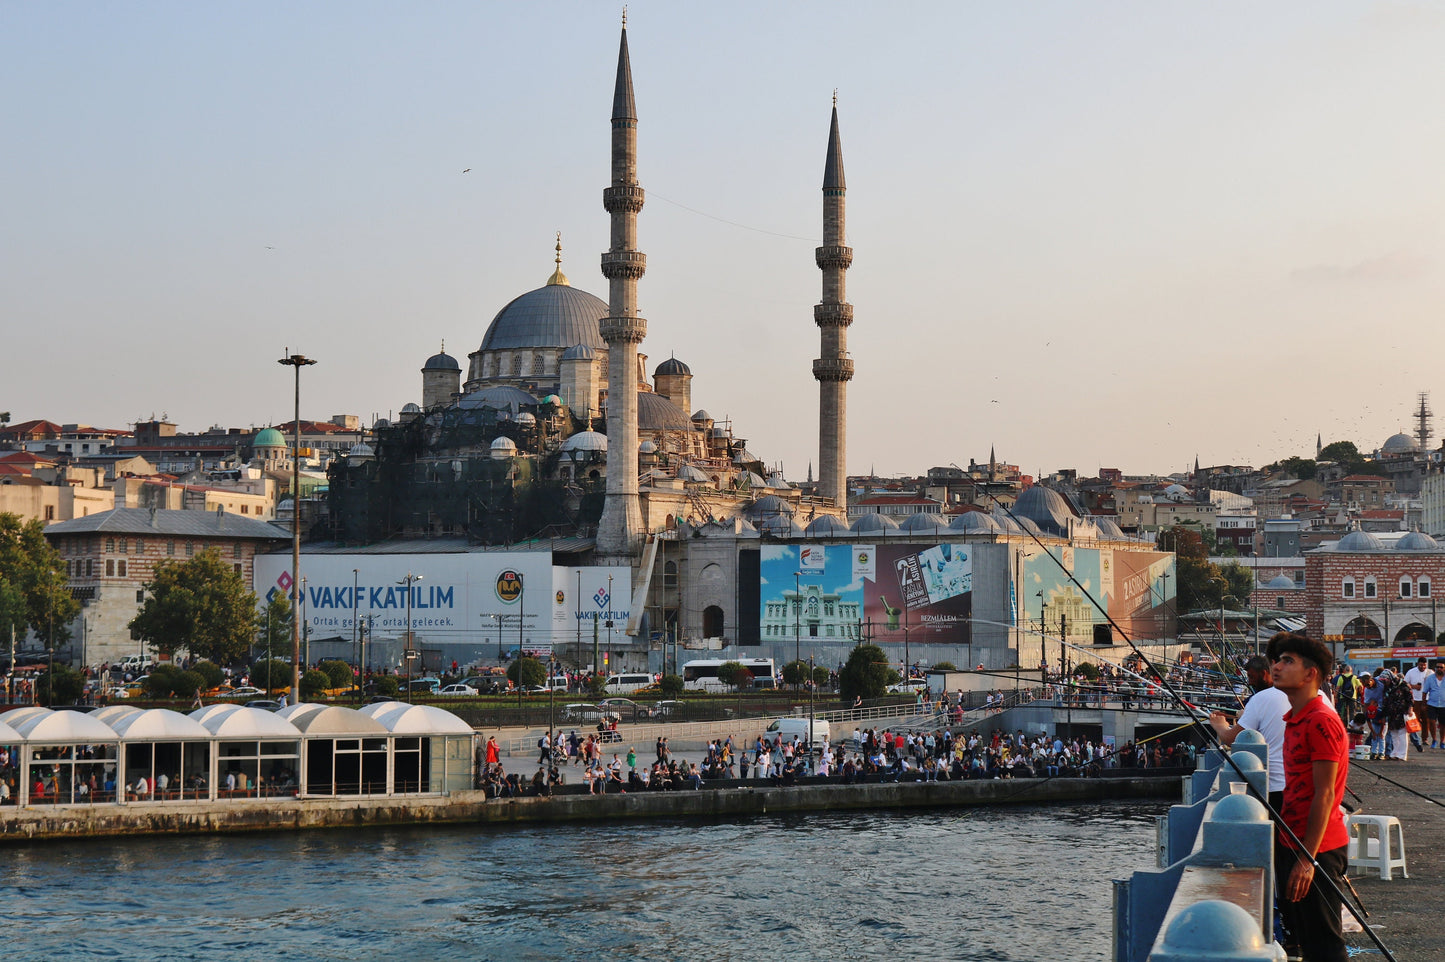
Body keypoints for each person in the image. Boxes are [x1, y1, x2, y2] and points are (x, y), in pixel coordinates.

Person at [1269, 632, 1349, 962]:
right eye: (1277, 659)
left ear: (1310, 673)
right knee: (1303, 940)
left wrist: (1307, 860)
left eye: (1288, 661)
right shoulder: (1294, 719)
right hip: (1293, 840)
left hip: (1317, 848)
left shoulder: (1320, 721)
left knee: (1325, 944)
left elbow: (1325, 793)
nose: (1276, 666)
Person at [1209, 655, 1290, 810]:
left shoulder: (1260, 699)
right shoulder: (1297, 695)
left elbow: (1233, 740)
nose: (1250, 682)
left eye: (1252, 677)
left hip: (1272, 785)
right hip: (1295, 784)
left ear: (1266, 673)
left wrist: (1219, 725)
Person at [1423, 661, 1445, 750]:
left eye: (1441, 667)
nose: (1439, 669)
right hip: (1432, 703)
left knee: (1443, 724)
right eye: (1437, 667)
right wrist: (1423, 704)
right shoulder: (1430, 678)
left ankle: (1442, 741)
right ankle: (1434, 739)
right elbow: (1425, 692)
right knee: (1431, 722)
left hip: (1443, 705)